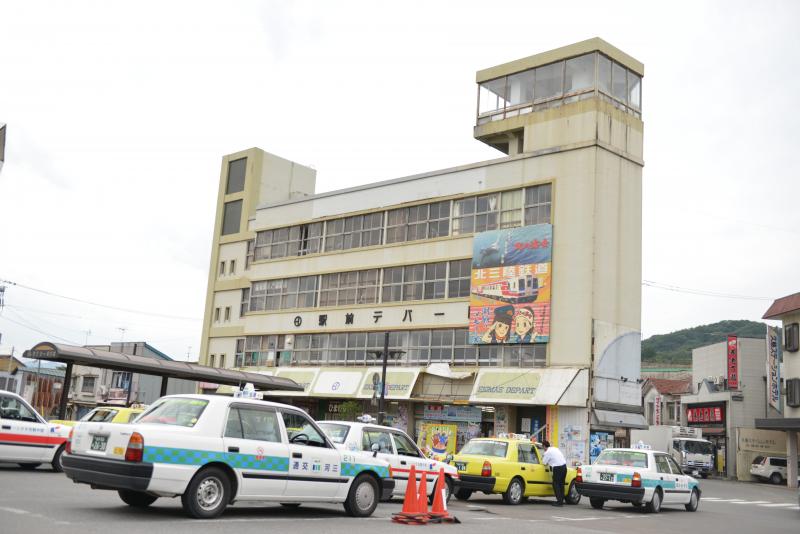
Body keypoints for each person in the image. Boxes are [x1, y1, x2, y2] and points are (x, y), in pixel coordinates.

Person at [541, 440, 567, 506]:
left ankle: (559, 501)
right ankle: (561, 500)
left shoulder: (547, 452)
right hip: (564, 467)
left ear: (544, 446)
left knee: (556, 484)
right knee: (561, 484)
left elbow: (544, 463)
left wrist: (543, 456)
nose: (543, 449)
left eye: (542, 447)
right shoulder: (555, 448)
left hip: (557, 468)